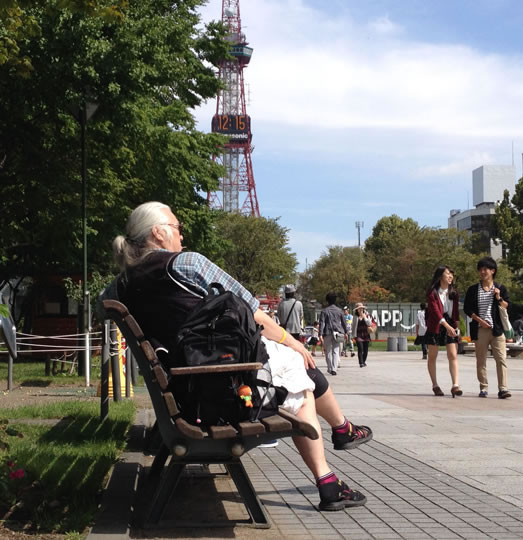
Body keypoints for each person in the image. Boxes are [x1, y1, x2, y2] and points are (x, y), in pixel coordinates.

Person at [100, 201, 370, 511]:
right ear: (159, 233)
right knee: (300, 373)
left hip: (184, 392)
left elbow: (101, 306)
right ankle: (330, 477)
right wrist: (291, 341)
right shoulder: (187, 263)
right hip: (224, 392)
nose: (182, 236)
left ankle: (340, 439)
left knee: (298, 370)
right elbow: (254, 313)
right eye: (177, 228)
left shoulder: (120, 285)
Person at [463, 256, 511, 399]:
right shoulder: (473, 289)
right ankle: (483, 387)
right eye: (481, 269)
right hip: (480, 329)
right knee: (481, 360)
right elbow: (467, 309)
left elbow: (507, 306)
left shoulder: (500, 288)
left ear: (493, 271)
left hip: (497, 330)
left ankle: (503, 388)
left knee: (501, 359)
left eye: (486, 269)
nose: (483, 272)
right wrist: (479, 320)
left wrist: (499, 297)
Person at [423, 266, 462, 397]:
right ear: (440, 276)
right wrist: (446, 325)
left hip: (450, 325)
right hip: (436, 325)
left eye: (452, 274)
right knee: (432, 356)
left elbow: (456, 312)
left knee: (453, 354)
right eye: (447, 274)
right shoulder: (432, 292)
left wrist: (457, 327)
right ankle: (435, 385)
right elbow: (435, 312)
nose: (450, 276)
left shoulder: (454, 293)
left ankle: (455, 385)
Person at [318, 293, 348, 375]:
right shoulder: (340, 310)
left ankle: (330, 367)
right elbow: (344, 323)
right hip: (338, 332)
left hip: (327, 332)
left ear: (327, 300)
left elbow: (322, 323)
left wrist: (320, 334)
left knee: (328, 351)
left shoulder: (324, 311)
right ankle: (334, 369)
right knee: (336, 350)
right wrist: (346, 332)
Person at [354, 303, 372, 368]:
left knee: (365, 350)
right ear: (357, 310)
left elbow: (369, 323)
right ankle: (361, 363)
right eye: (359, 308)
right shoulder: (355, 317)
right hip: (358, 334)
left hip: (366, 334)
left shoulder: (367, 315)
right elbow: (353, 327)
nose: (361, 309)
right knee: (360, 348)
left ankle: (364, 361)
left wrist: (364, 317)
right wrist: (353, 335)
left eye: (362, 308)